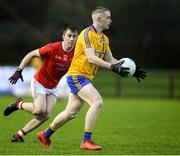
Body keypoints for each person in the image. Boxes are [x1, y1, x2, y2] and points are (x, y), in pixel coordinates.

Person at [37, 6, 146, 150]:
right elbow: (91, 58)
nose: (110, 21)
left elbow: (111, 59)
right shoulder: (87, 34)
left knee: (70, 113)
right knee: (97, 102)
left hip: (85, 77)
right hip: (77, 75)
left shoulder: (104, 39)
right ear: (99, 19)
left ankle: (45, 134)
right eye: (108, 18)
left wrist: (131, 71)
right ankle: (86, 141)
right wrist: (112, 67)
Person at [3, 24, 78, 142]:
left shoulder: (76, 52)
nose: (72, 39)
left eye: (74, 36)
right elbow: (31, 54)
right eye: (69, 36)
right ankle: (18, 104)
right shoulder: (53, 47)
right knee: (39, 110)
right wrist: (19, 70)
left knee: (46, 115)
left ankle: (18, 135)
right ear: (63, 36)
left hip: (53, 86)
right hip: (40, 82)